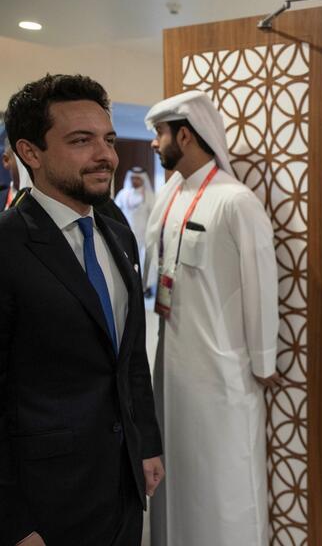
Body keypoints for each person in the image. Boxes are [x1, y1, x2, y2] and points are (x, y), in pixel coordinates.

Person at [0, 74, 164, 546]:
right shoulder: (7, 247)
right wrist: (12, 520)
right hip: (46, 502)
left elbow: (129, 357)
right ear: (31, 152)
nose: (106, 156)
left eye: (108, 140)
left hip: (121, 485)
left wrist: (146, 443)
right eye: (81, 141)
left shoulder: (116, 234)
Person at [144, 91, 280, 546]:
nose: (154, 143)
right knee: (178, 481)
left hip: (223, 375)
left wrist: (263, 363)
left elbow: (261, 284)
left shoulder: (234, 200)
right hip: (172, 371)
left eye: (161, 133)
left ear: (185, 134)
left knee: (224, 485)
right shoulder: (168, 197)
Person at [114, 166, 154, 292]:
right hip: (125, 235)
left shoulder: (149, 196)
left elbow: (154, 217)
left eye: (138, 178)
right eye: (133, 178)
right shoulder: (123, 194)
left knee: (142, 260)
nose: (135, 181)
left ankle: (143, 287)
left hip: (143, 235)